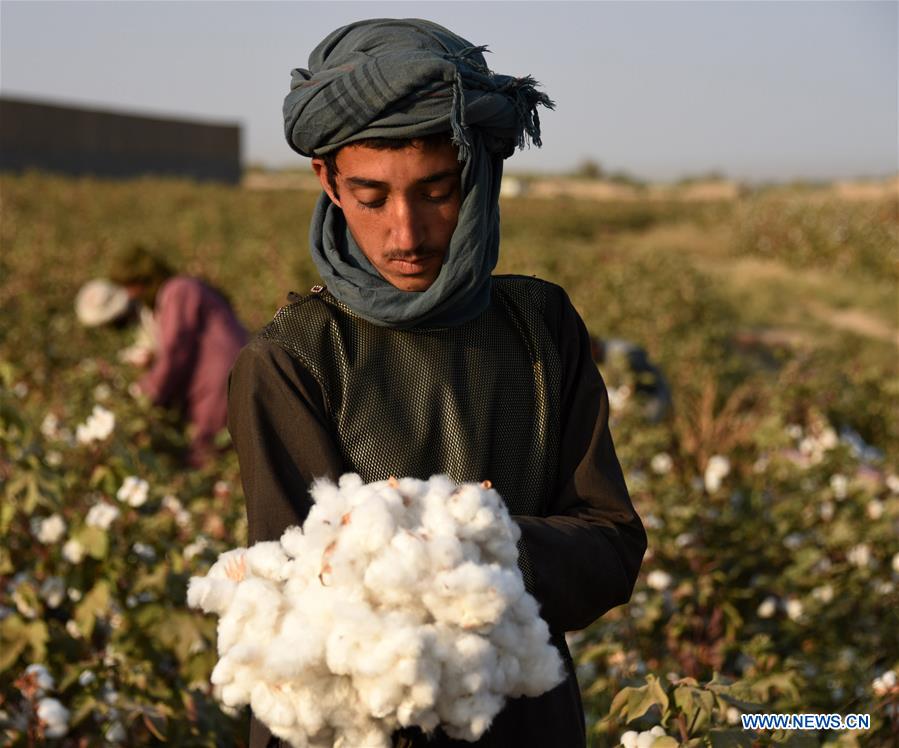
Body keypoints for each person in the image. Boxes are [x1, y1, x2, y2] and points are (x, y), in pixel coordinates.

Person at [227, 18, 647, 748]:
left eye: (436, 191)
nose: (406, 234)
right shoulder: (293, 360)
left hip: (529, 726)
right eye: (370, 196)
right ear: (326, 180)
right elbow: (307, 618)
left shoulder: (541, 328)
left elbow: (609, 547)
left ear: (480, 170)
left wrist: (474, 544)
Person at [109, 244, 248, 467]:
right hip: (218, 378)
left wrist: (147, 391)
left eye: (129, 285)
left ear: (143, 279)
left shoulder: (178, 291)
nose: (128, 293)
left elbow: (176, 350)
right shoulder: (172, 295)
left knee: (208, 453)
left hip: (219, 380)